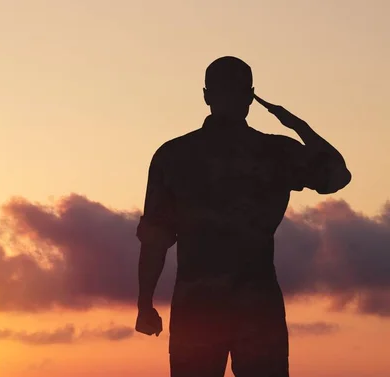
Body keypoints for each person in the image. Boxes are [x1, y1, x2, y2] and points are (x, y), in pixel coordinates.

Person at [134, 56, 352, 377]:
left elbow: (155, 240)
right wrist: (297, 125)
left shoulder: (174, 155)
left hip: (197, 308)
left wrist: (144, 305)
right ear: (250, 97)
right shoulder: (276, 152)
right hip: (258, 308)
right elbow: (336, 175)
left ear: (207, 95)